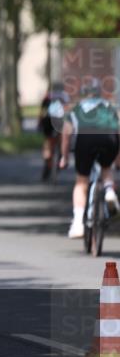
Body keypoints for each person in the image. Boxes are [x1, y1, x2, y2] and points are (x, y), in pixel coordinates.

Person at [59, 79, 120, 238]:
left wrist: (64, 157)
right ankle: (108, 191)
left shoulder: (76, 108)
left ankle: (78, 223)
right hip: (109, 138)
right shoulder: (110, 107)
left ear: (84, 94)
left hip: (86, 140)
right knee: (106, 168)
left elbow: (66, 134)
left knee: (81, 182)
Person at [38, 82, 70, 181]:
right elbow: (67, 110)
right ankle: (61, 158)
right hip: (59, 122)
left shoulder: (47, 97)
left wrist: (39, 123)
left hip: (48, 122)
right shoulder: (64, 97)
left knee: (48, 143)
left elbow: (42, 111)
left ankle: (48, 160)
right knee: (62, 141)